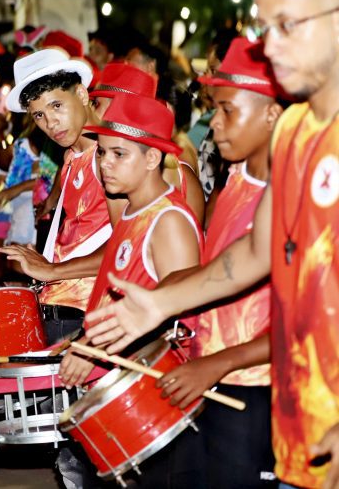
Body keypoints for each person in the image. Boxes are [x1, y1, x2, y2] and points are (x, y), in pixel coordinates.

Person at [86, 0, 339, 489]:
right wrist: (158, 304)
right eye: (265, 27)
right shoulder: (296, 134)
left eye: (288, 25)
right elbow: (255, 252)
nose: (271, 46)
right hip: (300, 416)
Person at [154, 37, 282, 488]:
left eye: (228, 110)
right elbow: (220, 266)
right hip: (212, 375)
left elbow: (309, 319)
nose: (216, 124)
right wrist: (154, 300)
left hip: (259, 386)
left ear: (273, 114)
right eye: (214, 108)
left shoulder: (296, 190)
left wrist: (218, 363)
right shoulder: (235, 175)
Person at [0, 48, 126, 487]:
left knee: (96, 449)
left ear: (83, 94)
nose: (50, 122)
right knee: (72, 453)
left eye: (57, 105)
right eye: (38, 114)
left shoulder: (111, 157)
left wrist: (51, 272)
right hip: (67, 309)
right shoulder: (72, 158)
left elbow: (127, 247)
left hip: (95, 315)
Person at [63, 93, 205, 488]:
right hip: (122, 391)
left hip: (152, 402)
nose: (104, 163)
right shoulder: (130, 211)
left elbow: (180, 324)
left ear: (152, 158)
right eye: (102, 152)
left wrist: (94, 346)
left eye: (118, 154)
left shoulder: (168, 220)